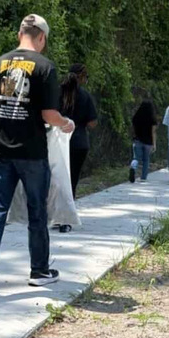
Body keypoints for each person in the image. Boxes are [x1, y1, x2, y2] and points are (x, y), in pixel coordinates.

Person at [0, 14, 75, 300]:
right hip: (32, 154)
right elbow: (49, 115)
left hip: (0, 152)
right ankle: (39, 271)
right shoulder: (45, 67)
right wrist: (65, 123)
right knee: (37, 212)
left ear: (20, 34)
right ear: (41, 37)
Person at [57, 64, 97, 231]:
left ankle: (56, 216)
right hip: (78, 142)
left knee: (56, 181)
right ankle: (65, 220)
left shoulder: (56, 93)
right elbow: (92, 123)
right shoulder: (85, 96)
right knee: (71, 181)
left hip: (57, 141)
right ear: (81, 77)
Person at [129, 99, 158, 183]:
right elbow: (153, 132)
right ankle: (143, 177)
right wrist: (154, 144)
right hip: (148, 142)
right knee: (146, 159)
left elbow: (133, 129)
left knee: (136, 158)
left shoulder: (136, 117)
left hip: (137, 140)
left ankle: (133, 167)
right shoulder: (152, 119)